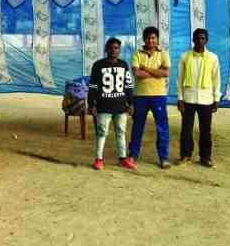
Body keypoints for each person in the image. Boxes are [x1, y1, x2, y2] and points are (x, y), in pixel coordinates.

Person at [88, 38, 136, 170]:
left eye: (116, 48)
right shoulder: (98, 65)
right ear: (106, 49)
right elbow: (92, 87)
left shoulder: (123, 65)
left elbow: (128, 86)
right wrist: (91, 104)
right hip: (103, 106)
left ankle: (123, 158)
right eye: (111, 48)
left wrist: (131, 103)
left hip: (121, 107)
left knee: (121, 132)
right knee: (102, 132)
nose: (113, 50)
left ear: (119, 50)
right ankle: (98, 159)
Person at [129, 26, 172, 169]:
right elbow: (137, 74)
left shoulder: (163, 54)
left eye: (153, 38)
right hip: (140, 96)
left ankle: (163, 158)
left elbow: (166, 73)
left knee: (162, 127)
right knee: (137, 126)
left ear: (157, 39)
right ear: (144, 39)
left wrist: (146, 68)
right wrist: (157, 72)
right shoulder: (137, 54)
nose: (151, 40)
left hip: (158, 96)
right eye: (148, 38)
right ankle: (133, 155)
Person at [176, 28, 221, 168]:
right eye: (197, 38)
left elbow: (216, 79)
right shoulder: (185, 57)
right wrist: (180, 98)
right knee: (186, 129)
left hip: (206, 100)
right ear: (193, 39)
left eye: (202, 38)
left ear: (206, 40)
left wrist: (216, 98)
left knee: (206, 130)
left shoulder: (213, 58)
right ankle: (185, 156)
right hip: (188, 99)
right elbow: (179, 79)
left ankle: (205, 157)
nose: (199, 41)